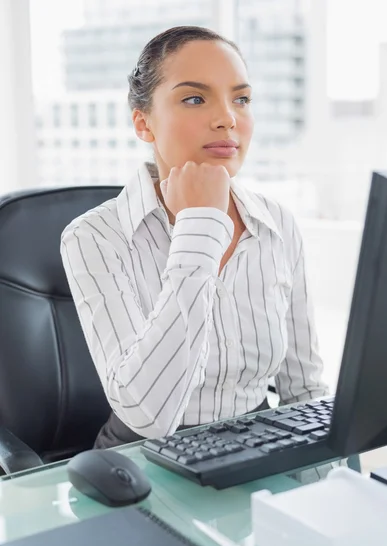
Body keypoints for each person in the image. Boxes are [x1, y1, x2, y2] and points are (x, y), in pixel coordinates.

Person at [61, 25, 329, 450]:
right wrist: (199, 226)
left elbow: (304, 388)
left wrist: (325, 483)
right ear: (143, 123)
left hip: (257, 445)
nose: (227, 118)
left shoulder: (277, 223)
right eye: (194, 98)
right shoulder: (93, 236)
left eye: (241, 98)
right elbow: (149, 413)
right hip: (143, 457)